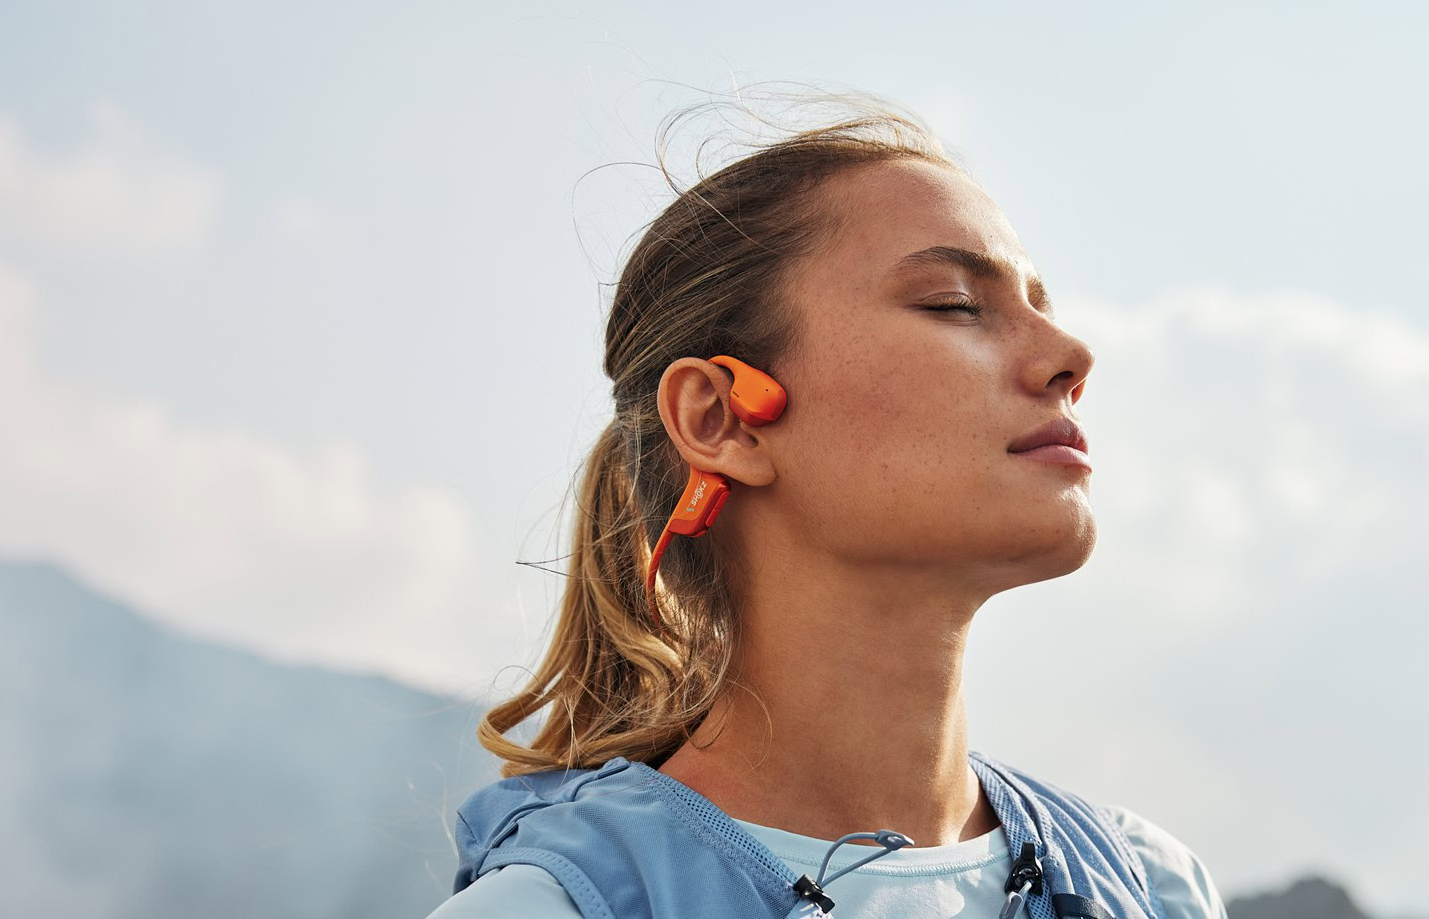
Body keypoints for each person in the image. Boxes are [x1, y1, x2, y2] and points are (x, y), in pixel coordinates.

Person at [429, 90, 1228, 918]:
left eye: (1041, 307)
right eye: (953, 304)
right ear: (723, 418)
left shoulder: (1147, 885)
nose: (1071, 355)